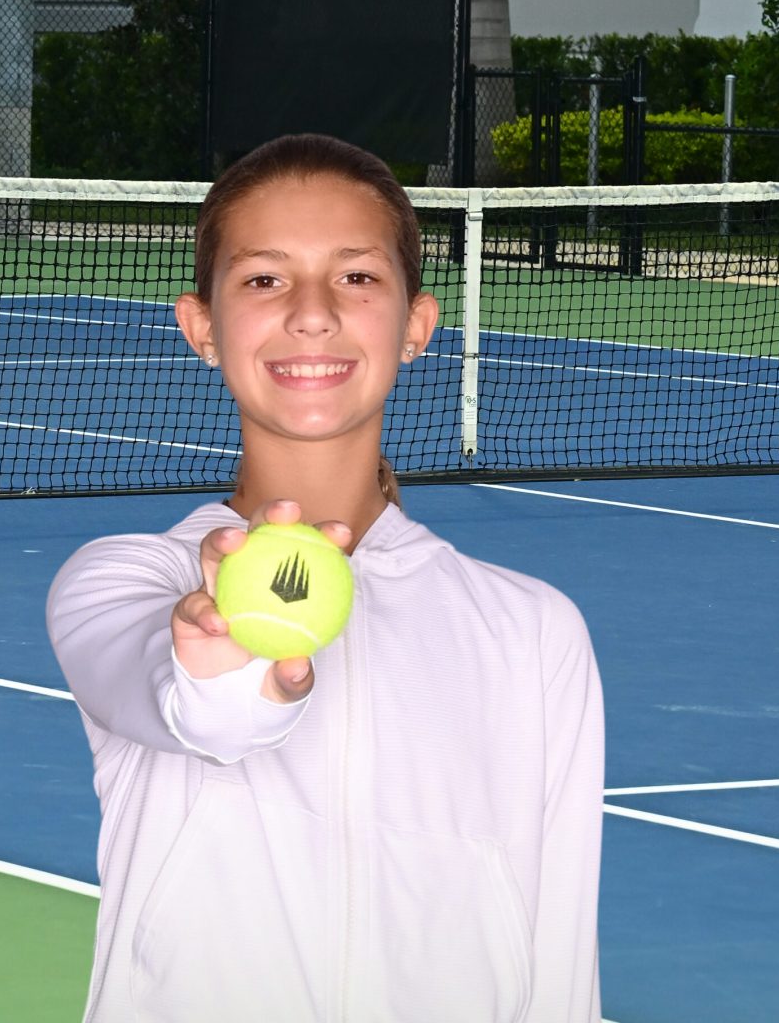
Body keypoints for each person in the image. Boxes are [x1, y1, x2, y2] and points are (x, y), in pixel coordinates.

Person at [47, 134, 604, 1023]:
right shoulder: (121, 582)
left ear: (417, 325)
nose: (312, 313)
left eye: (357, 276)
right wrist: (220, 665)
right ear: (201, 327)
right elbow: (196, 710)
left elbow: (561, 962)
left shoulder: (533, 631)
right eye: (265, 278)